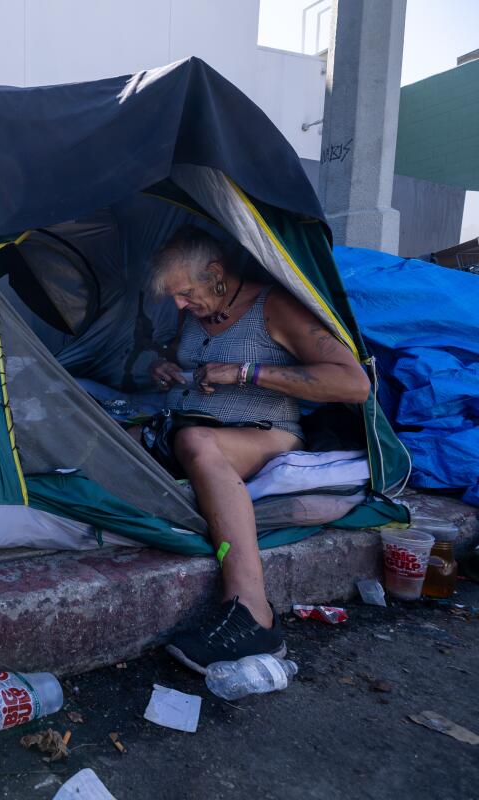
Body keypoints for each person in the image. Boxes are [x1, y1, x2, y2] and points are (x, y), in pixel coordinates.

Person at [144, 226, 371, 672]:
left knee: (196, 442)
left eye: (185, 293)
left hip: (265, 433)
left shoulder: (274, 307)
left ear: (215, 273)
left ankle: (252, 613)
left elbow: (353, 384)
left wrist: (246, 373)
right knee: (113, 439)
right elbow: (183, 358)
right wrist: (165, 368)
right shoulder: (196, 313)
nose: (179, 305)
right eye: (174, 297)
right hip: (188, 424)